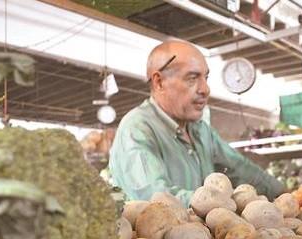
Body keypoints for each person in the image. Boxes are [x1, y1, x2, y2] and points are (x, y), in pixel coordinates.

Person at [109, 40, 284, 205]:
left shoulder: (200, 130)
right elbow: (154, 197)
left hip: (204, 235)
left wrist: (285, 194)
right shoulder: (137, 129)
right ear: (159, 82)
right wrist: (223, 204)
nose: (205, 89)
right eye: (192, 78)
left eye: (205, 78)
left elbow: (241, 169)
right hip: (154, 236)